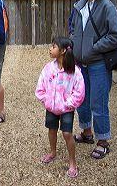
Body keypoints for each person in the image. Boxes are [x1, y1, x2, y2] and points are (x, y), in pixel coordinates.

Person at [69, 0, 117, 159]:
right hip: (80, 63)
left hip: (99, 63)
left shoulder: (107, 7)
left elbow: (116, 35)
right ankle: (87, 133)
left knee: (98, 103)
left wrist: (94, 47)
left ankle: (103, 141)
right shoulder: (80, 6)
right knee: (82, 101)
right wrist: (73, 45)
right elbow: (73, 29)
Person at [35, 37, 85, 178]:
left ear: (63, 51)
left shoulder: (74, 71)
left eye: (54, 46)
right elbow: (40, 87)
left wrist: (67, 104)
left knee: (67, 134)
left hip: (67, 109)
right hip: (51, 107)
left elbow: (79, 92)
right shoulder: (48, 68)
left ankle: (72, 162)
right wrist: (47, 100)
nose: (50, 49)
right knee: (52, 130)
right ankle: (52, 152)